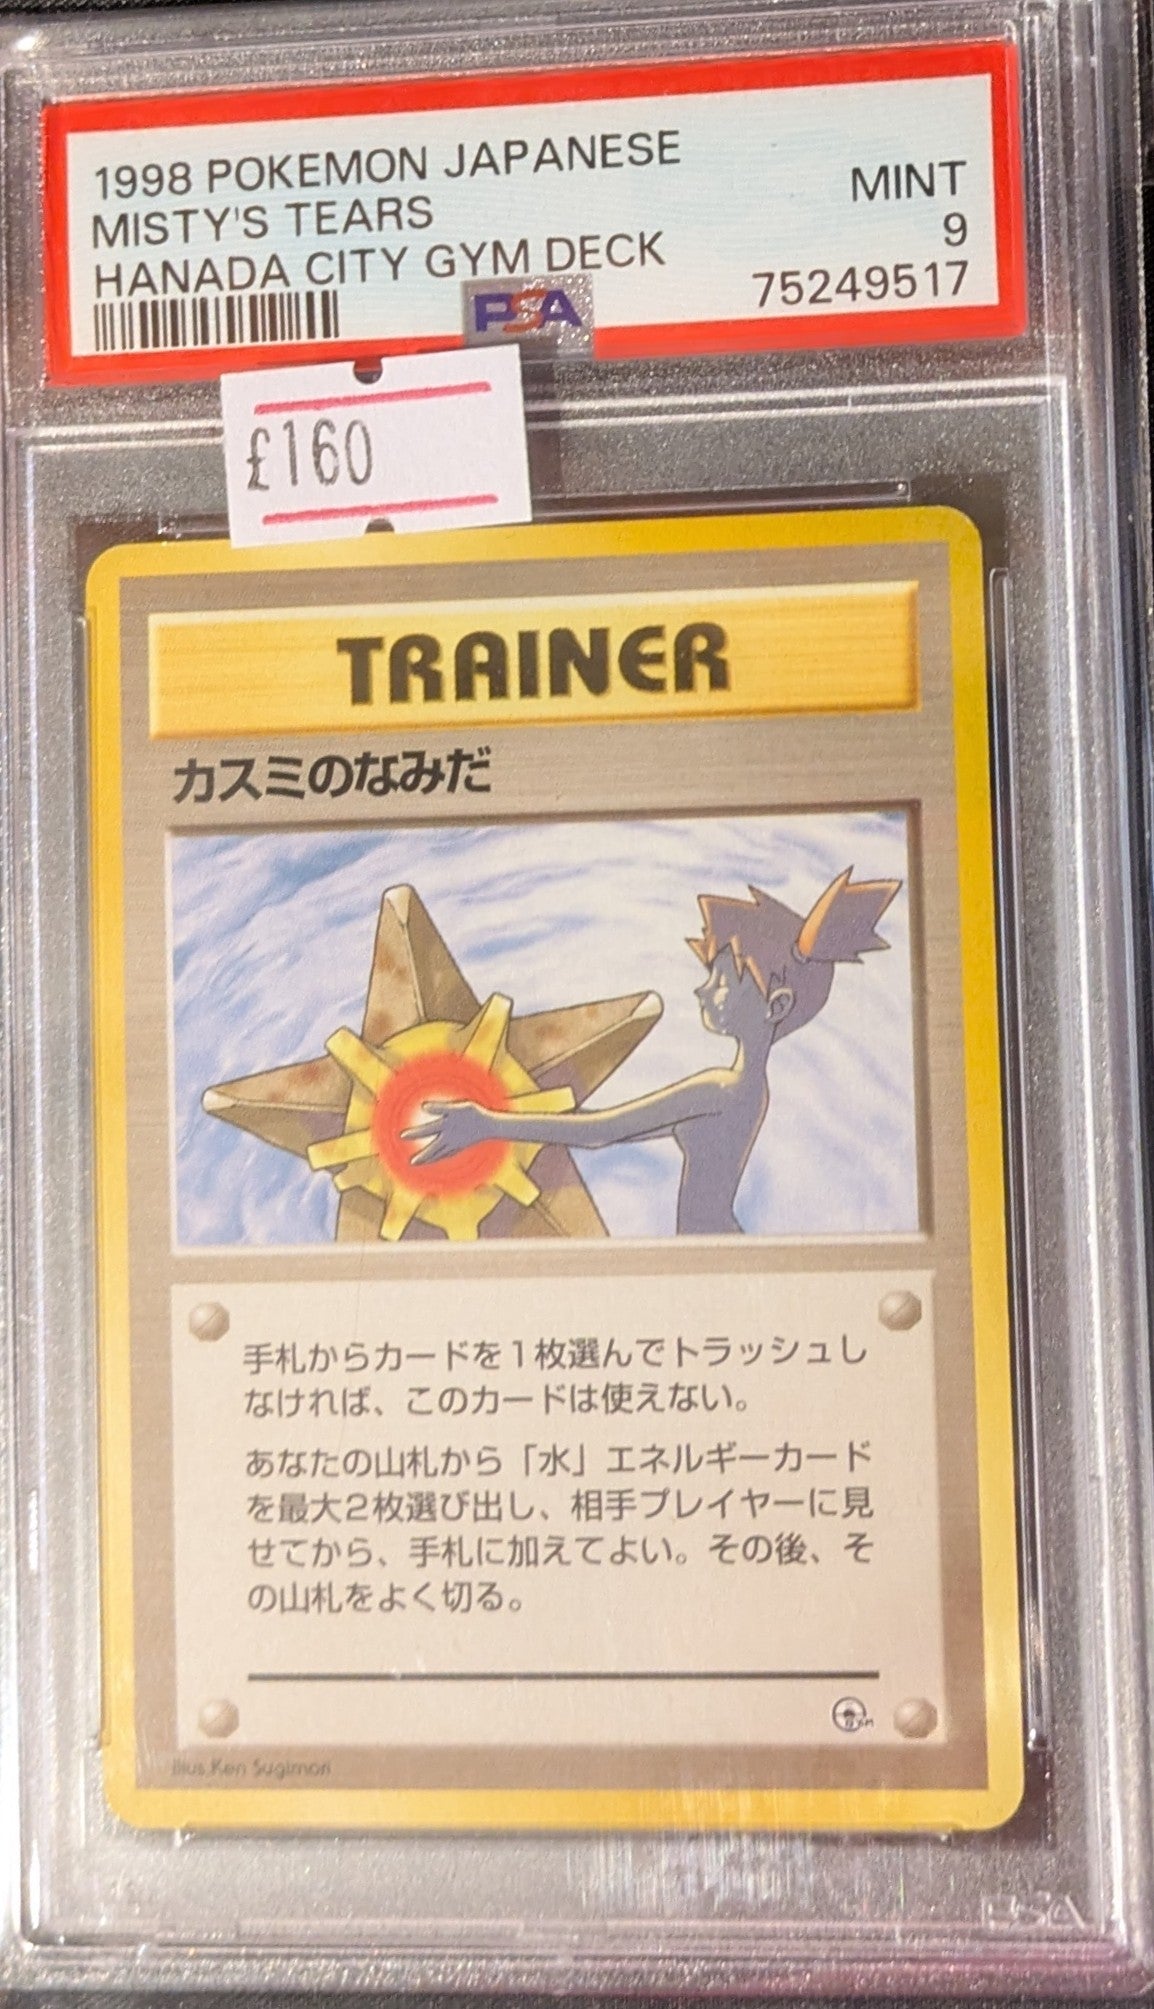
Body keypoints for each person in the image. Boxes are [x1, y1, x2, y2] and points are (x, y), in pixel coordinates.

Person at [403, 868, 900, 1235]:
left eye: (722, 982)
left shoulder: (722, 1090)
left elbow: (601, 1132)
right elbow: (610, 1130)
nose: (703, 992)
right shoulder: (744, 1089)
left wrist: (488, 1124)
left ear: (777, 1005)